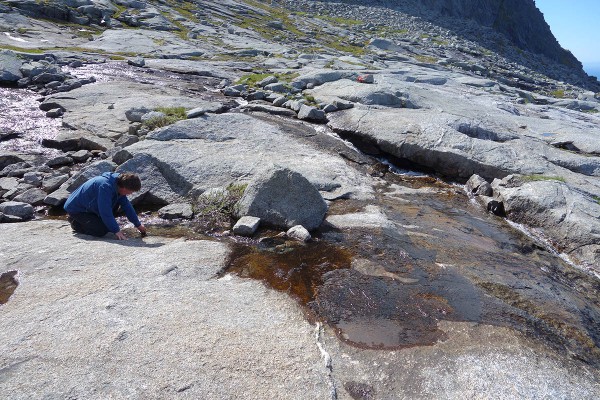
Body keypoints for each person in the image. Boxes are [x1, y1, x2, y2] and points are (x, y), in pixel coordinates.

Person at [64, 172, 147, 240]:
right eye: (130, 191)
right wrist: (116, 231)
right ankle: (75, 223)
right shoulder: (105, 186)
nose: (130, 194)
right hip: (77, 209)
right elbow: (105, 211)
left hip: (91, 207)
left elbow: (127, 206)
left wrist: (138, 225)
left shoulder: (119, 185)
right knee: (101, 231)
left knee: (110, 222)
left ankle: (91, 221)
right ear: (124, 187)